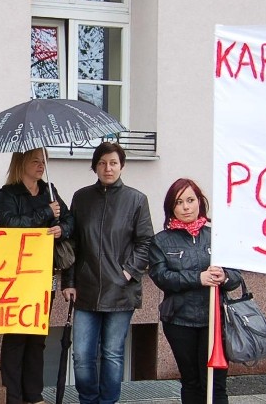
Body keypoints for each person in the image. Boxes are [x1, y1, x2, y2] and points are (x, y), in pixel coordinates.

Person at [61, 142, 154, 404]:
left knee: (112, 354)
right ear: (94, 166)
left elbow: (146, 242)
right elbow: (73, 243)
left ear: (121, 166)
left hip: (120, 291)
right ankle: (88, 399)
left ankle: (108, 401)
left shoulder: (136, 200)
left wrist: (128, 272)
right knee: (81, 356)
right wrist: (68, 281)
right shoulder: (81, 198)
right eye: (102, 163)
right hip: (86, 290)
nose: (108, 168)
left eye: (113, 162)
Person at [149, 178, 242, 404]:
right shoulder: (161, 241)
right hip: (180, 320)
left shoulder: (215, 236)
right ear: (171, 207)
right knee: (191, 382)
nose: (186, 207)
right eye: (179, 202)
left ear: (200, 202)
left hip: (215, 321)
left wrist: (225, 276)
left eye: (190, 200)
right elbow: (161, 277)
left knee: (215, 384)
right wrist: (198, 278)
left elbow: (237, 275)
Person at [0, 148, 74, 404]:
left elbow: (71, 221)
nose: (41, 166)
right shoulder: (7, 194)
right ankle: (13, 396)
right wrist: (46, 213)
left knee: (38, 335)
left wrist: (62, 228)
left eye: (44, 161)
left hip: (45, 272)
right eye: (35, 161)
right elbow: (10, 225)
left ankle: (34, 394)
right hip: (17, 274)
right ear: (21, 163)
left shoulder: (50, 190)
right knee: (17, 335)